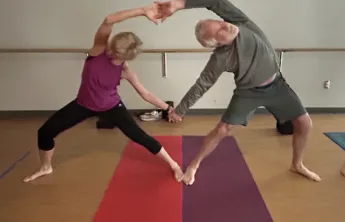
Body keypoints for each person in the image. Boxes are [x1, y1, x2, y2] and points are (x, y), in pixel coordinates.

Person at [155, 0, 321, 185]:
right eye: (220, 31)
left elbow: (215, 1)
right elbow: (201, 85)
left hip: (277, 85)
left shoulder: (240, 23)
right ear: (217, 44)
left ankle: (297, 164)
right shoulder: (220, 58)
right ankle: (194, 164)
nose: (225, 24)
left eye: (219, 22)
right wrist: (180, 110)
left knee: (305, 123)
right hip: (248, 92)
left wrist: (179, 4)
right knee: (222, 130)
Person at [23, 4, 184, 183]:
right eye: (113, 48)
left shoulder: (125, 71)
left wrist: (168, 108)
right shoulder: (98, 50)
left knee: (140, 136)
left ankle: (173, 164)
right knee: (45, 132)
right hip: (83, 104)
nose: (111, 53)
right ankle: (46, 167)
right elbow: (109, 20)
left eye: (116, 53)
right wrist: (141, 11)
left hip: (111, 107)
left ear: (125, 58)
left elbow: (146, 94)